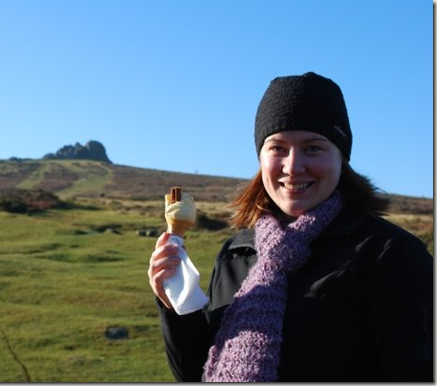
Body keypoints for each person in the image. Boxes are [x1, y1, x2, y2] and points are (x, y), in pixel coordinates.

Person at [148, 72, 433, 382]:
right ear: (261, 157)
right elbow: (195, 373)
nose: (293, 166)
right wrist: (175, 305)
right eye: (278, 148)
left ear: (342, 158)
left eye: (313, 148)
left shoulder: (390, 253)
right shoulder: (237, 252)